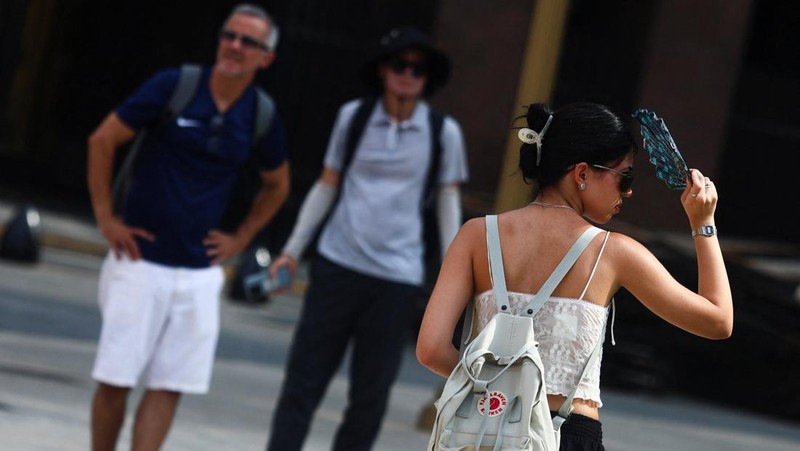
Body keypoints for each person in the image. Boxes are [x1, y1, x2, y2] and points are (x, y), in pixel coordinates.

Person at [416, 102, 733, 450]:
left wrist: (497, 388)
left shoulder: (477, 235)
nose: (628, 191)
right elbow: (717, 321)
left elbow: (431, 350)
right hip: (566, 433)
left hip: (484, 427)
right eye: (624, 177)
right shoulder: (613, 252)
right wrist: (704, 224)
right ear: (581, 173)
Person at [85, 4, 289, 450]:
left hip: (199, 271)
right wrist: (106, 218)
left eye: (248, 41)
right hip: (139, 260)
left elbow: (278, 184)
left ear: (266, 57)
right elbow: (102, 140)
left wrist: (241, 238)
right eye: (229, 35)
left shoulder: (260, 113)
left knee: (169, 385)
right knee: (116, 379)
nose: (234, 46)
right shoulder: (175, 85)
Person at [265, 26, 469, 451]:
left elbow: (448, 201)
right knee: (303, 381)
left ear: (427, 78)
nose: (408, 74)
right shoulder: (353, 117)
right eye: (400, 65)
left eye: (418, 69)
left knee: (370, 396)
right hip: (337, 264)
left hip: (396, 278)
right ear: (382, 70)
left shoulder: (442, 132)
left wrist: (455, 271)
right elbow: (327, 185)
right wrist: (290, 251)